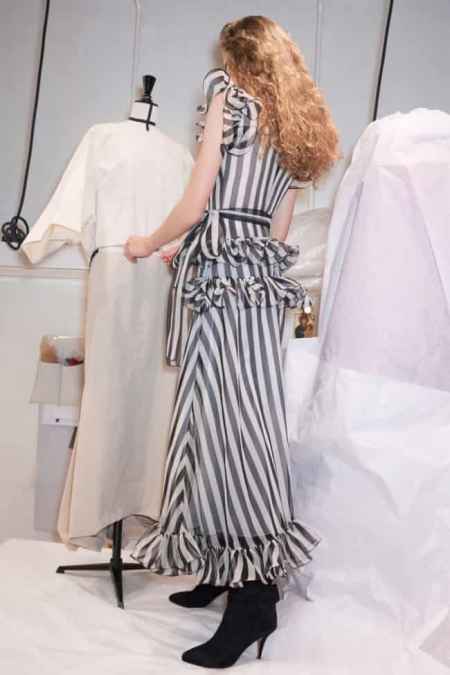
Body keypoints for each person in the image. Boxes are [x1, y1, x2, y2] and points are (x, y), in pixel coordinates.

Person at [123, 15, 339, 669]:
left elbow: (198, 200)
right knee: (230, 418)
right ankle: (224, 564)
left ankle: (254, 597)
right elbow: (277, 226)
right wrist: (213, 247)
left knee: (229, 429)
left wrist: (149, 241)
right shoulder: (295, 120)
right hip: (255, 280)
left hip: (225, 282)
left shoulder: (229, 94)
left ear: (236, 56)